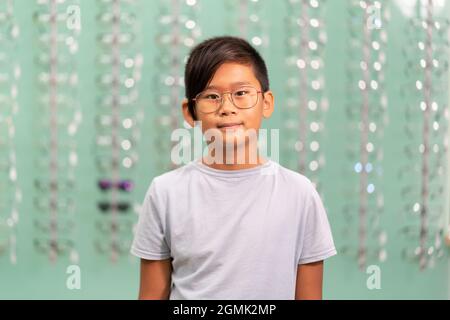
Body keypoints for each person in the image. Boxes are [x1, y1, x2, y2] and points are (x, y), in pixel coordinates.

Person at [131, 35, 336, 300]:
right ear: (190, 111)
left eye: (241, 93)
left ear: (267, 103)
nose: (227, 108)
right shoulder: (166, 192)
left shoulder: (300, 194)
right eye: (212, 96)